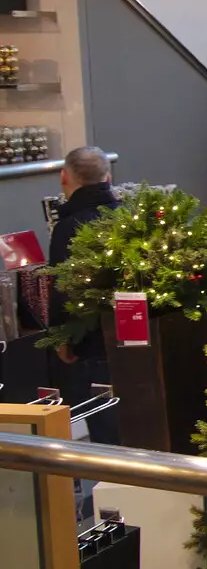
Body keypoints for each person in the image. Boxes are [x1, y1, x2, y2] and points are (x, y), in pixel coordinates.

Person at [49, 147, 120, 518]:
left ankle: (112, 518)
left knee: (105, 435)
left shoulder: (68, 227)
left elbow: (64, 288)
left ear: (65, 178)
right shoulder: (127, 218)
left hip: (91, 347)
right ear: (108, 178)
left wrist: (63, 338)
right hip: (129, 344)